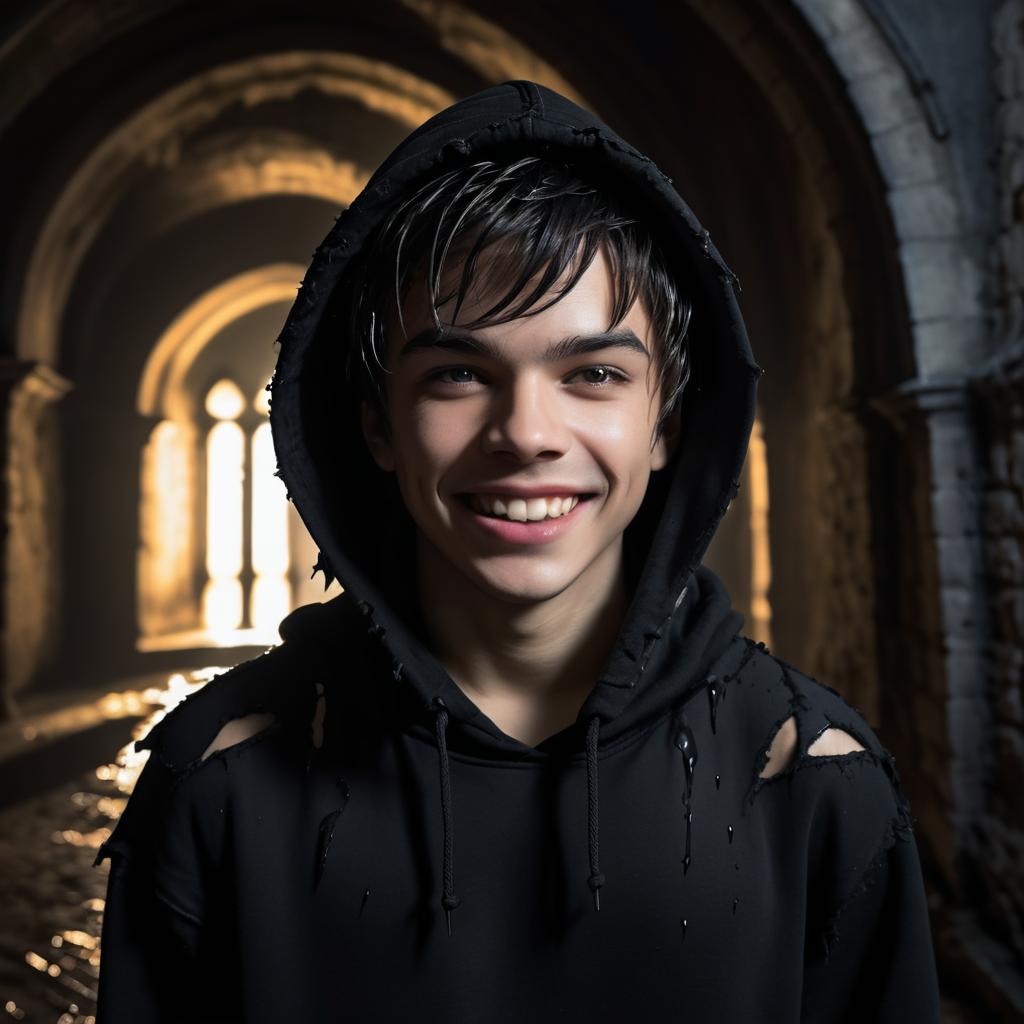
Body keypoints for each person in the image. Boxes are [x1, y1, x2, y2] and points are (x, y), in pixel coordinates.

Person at [93, 79, 942, 1022]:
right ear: (378, 422)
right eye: (459, 372)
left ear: (665, 420)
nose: (525, 432)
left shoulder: (816, 785)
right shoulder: (217, 786)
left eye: (593, 374)